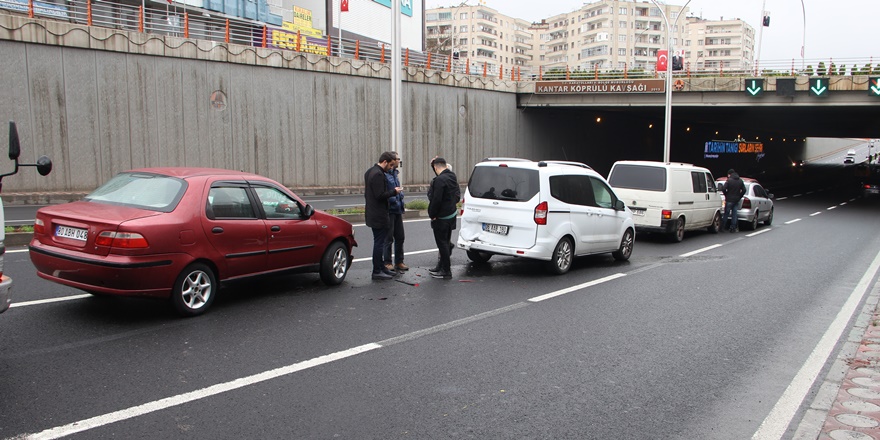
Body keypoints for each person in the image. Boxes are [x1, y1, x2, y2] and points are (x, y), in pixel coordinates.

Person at [364, 152, 402, 280]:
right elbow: (379, 195)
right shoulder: (379, 174)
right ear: (384, 161)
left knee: (379, 241)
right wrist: (394, 192)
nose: (391, 167)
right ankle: (377, 270)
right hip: (378, 214)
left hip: (372, 212)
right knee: (379, 243)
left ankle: (381, 268)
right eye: (390, 165)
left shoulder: (370, 171)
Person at [427, 157, 460, 280]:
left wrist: (432, 214)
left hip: (441, 217)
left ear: (435, 167)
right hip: (451, 215)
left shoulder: (439, 180)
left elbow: (436, 200)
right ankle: (440, 267)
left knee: (442, 245)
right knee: (445, 242)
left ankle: (446, 271)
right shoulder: (452, 176)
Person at [383, 153, 407, 273]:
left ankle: (399, 261)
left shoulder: (395, 174)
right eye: (398, 159)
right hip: (390, 210)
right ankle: (387, 262)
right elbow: (386, 192)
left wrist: (400, 196)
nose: (399, 161)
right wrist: (394, 199)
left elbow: (397, 189)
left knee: (400, 236)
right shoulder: (385, 174)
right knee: (388, 238)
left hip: (398, 209)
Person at [721, 168, 746, 233]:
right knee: (734, 214)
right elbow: (744, 190)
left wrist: (726, 194)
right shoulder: (740, 181)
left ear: (729, 174)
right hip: (736, 200)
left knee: (726, 213)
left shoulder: (729, 180)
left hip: (729, 199)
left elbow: (723, 188)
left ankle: (722, 227)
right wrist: (739, 196)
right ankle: (733, 228)